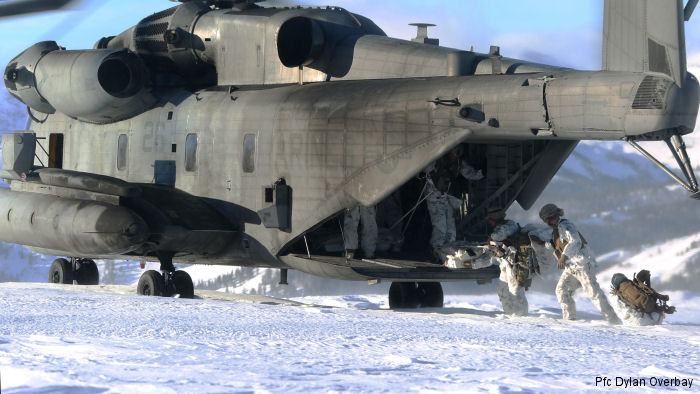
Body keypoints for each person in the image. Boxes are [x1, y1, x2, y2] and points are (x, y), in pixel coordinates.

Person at [538, 203, 621, 324]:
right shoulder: (556, 230)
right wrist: (542, 244)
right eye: (547, 222)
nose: (549, 223)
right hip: (571, 267)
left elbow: (575, 241)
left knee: (594, 294)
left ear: (555, 215)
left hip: (582, 264)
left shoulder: (565, 226)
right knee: (562, 290)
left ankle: (613, 321)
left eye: (550, 220)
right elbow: (557, 245)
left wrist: (564, 257)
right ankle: (570, 320)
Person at [424, 147, 483, 260]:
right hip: (435, 195)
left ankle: (448, 248)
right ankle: (436, 249)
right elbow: (425, 171)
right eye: (456, 152)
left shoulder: (458, 163)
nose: (457, 154)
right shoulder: (436, 161)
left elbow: (470, 173)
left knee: (450, 227)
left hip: (447, 197)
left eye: (459, 152)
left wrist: (481, 173)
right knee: (440, 225)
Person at [485, 208, 529, 316]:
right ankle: (510, 314)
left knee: (516, 291)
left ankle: (521, 317)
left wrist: (489, 240)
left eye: (490, 219)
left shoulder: (507, 227)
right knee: (502, 291)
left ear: (495, 219)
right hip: (505, 261)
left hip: (514, 262)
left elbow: (495, 237)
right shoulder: (504, 226)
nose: (489, 222)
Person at [610, 270, 675, 326]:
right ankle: (663, 309)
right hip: (651, 303)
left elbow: (626, 301)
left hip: (642, 311)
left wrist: (616, 292)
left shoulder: (620, 291)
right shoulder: (631, 283)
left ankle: (661, 309)